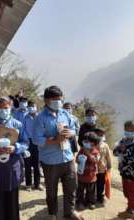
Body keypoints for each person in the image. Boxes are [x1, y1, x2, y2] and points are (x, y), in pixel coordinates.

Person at [33, 86, 83, 220]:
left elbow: (73, 129)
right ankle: (52, 214)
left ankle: (70, 212)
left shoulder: (65, 114)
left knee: (71, 187)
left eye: (60, 99)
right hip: (50, 161)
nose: (58, 102)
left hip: (67, 157)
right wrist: (55, 140)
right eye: (55, 99)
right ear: (46, 100)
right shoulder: (40, 118)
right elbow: (37, 139)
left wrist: (70, 133)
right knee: (51, 191)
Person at [113, 121, 134, 220]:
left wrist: (124, 151)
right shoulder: (123, 141)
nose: (128, 132)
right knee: (127, 192)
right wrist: (119, 149)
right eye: (126, 129)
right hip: (124, 172)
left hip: (133, 173)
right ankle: (130, 210)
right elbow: (115, 152)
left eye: (131, 130)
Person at [76, 132, 100, 210]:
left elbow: (95, 161)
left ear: (94, 144)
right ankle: (80, 203)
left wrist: (88, 153)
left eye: (89, 142)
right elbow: (76, 159)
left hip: (91, 176)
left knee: (91, 191)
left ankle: (90, 202)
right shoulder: (81, 150)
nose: (86, 143)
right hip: (81, 175)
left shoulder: (95, 152)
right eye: (85, 141)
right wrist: (79, 159)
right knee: (80, 191)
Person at [23, 100, 43, 191]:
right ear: (27, 108)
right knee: (27, 164)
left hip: (37, 143)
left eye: (33, 106)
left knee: (37, 164)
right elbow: (22, 130)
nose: (31, 108)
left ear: (36, 107)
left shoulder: (40, 117)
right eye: (29, 106)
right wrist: (26, 139)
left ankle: (37, 184)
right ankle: (28, 184)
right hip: (28, 143)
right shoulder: (25, 118)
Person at [94, 128, 112, 205]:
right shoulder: (92, 144)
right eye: (98, 134)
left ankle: (99, 197)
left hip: (102, 169)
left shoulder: (105, 145)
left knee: (101, 184)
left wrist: (109, 167)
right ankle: (90, 197)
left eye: (101, 135)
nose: (100, 136)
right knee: (92, 184)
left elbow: (108, 157)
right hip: (93, 169)